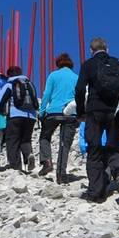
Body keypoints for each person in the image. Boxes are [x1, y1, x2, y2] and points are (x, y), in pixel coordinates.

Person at [74, 38, 119, 203]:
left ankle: (95, 193)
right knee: (114, 147)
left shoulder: (88, 64)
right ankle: (118, 174)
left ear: (91, 50)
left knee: (94, 150)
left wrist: (81, 112)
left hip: (94, 111)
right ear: (107, 49)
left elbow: (80, 88)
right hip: (115, 112)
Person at [38, 52, 80, 183]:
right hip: (71, 113)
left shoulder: (53, 75)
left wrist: (42, 111)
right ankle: (61, 175)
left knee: (45, 137)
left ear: (58, 64)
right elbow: (80, 96)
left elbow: (47, 94)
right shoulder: (76, 77)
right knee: (64, 144)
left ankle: (47, 161)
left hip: (53, 112)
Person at [0, 65, 38, 172]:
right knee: (25, 139)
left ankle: (16, 167)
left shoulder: (9, 84)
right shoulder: (28, 83)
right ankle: (28, 155)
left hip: (15, 115)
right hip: (31, 116)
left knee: (12, 141)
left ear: (9, 74)